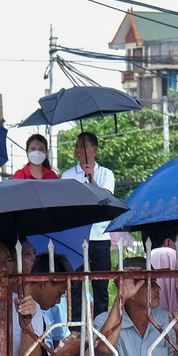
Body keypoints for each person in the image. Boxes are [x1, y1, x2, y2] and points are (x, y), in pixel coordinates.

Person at [62, 132, 116, 321]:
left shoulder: (106, 174)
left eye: (83, 146)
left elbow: (107, 199)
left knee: (101, 287)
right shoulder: (67, 176)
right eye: (77, 146)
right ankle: (76, 329)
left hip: (100, 237)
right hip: (77, 237)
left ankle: (100, 327)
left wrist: (92, 180)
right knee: (76, 286)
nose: (79, 150)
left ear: (94, 149)